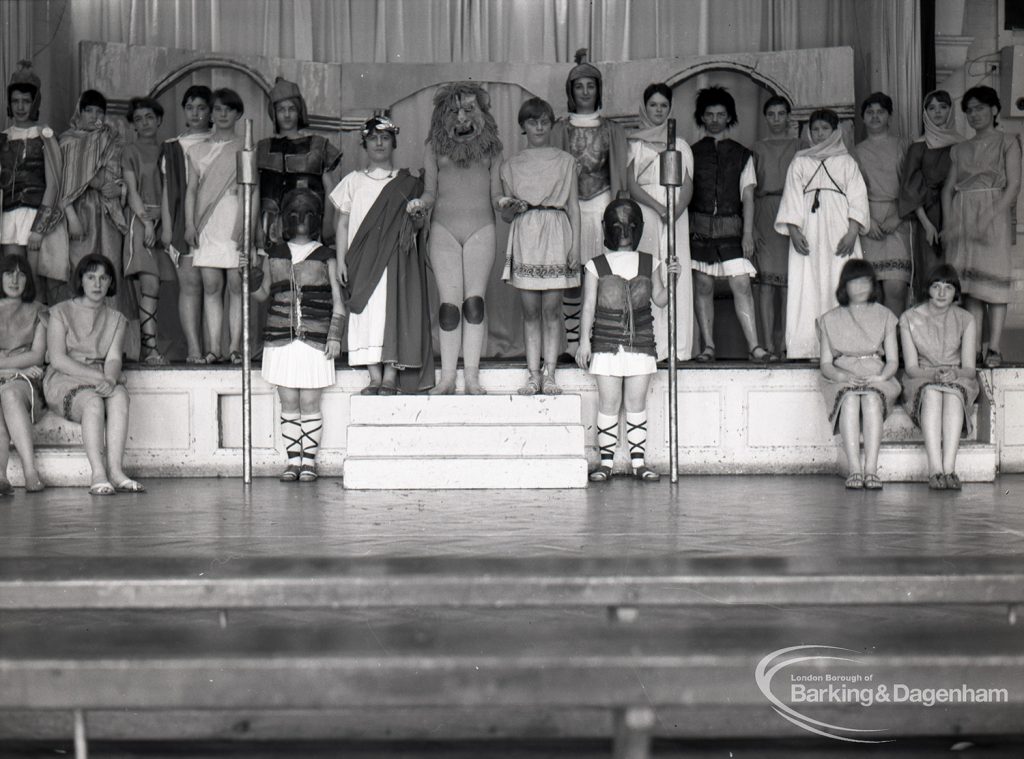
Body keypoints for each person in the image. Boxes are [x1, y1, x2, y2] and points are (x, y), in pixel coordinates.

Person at [406, 82, 502, 395]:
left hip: (481, 230)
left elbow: (496, 194)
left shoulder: (493, 149)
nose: (461, 116)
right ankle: (447, 378)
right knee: (449, 307)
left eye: (469, 109)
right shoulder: (434, 147)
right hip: (443, 231)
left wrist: (506, 204)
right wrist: (421, 206)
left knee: (474, 303)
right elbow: (431, 192)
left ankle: (471, 377)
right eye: (454, 110)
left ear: (482, 113)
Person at [576, 197, 679, 483]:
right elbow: (588, 306)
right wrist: (584, 341)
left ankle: (638, 463)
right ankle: (606, 464)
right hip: (606, 343)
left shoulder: (651, 262)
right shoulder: (595, 265)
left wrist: (673, 279)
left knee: (635, 404)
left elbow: (660, 300)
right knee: (608, 404)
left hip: (641, 343)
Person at [334, 116, 434, 394]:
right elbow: (342, 223)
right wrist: (341, 259)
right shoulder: (352, 181)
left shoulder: (409, 183)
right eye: (373, 137)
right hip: (360, 259)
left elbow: (419, 225)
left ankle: (390, 376)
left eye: (385, 137)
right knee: (366, 314)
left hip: (394, 260)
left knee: (390, 312)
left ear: (394, 143)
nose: (379, 143)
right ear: (364, 143)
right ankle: (374, 377)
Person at [255, 189, 344, 481]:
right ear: (284, 219)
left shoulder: (326, 255)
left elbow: (338, 301)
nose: (301, 218)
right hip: (281, 338)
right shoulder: (273, 255)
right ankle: (293, 461)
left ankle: (309, 462)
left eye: (307, 212)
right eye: (294, 212)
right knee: (289, 402)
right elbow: (260, 295)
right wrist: (249, 275)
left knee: (309, 403)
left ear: (317, 219)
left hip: (316, 339)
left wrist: (334, 335)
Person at [499, 98, 580, 395]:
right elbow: (507, 215)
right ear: (523, 126)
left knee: (551, 307)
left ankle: (550, 374)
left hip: (557, 232)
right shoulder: (510, 166)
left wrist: (576, 247)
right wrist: (512, 206)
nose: (539, 127)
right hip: (526, 233)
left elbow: (573, 206)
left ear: (551, 124)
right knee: (530, 309)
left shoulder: (566, 161)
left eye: (545, 121)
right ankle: (533, 374)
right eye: (533, 122)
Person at [44, 254, 144, 495]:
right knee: (93, 403)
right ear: (81, 280)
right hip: (65, 378)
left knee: (119, 395)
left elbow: (113, 359)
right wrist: (100, 379)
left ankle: (117, 471)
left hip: (101, 377)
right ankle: (98, 473)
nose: (97, 284)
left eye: (103, 278)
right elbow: (58, 359)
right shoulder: (60, 312)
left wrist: (109, 378)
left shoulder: (117, 319)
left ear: (110, 282)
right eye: (91, 277)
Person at [775, 109, 870, 359]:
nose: (819, 134)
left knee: (839, 279)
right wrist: (794, 231)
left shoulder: (847, 162)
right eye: (815, 129)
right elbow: (791, 199)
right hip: (809, 231)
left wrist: (852, 232)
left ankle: (844, 346)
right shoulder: (800, 161)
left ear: (835, 131)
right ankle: (808, 347)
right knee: (807, 283)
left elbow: (858, 198)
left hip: (840, 230)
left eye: (824, 129)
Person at [551, 49, 628, 355]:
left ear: (598, 90)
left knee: (603, 273)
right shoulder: (560, 129)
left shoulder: (612, 129)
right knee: (572, 275)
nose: (585, 91)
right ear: (571, 92)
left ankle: (599, 337)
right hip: (570, 208)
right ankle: (572, 343)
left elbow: (620, 173)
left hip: (603, 205)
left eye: (590, 86)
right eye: (579, 86)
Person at [941, 86, 1022, 369]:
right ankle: (974, 347)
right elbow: (949, 188)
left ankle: (995, 348)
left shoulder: (1008, 141)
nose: (974, 114)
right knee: (972, 286)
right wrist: (950, 220)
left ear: (995, 110)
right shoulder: (959, 148)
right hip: (964, 214)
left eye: (980, 108)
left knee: (994, 283)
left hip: (993, 212)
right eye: (970, 110)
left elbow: (1013, 185)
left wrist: (991, 216)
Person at [688, 85, 771, 363]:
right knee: (702, 286)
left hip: (731, 229)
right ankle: (708, 346)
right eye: (709, 114)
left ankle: (755, 346)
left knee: (742, 285)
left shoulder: (742, 154)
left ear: (729, 117)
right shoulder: (690, 152)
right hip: (699, 229)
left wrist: (747, 233)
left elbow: (748, 196)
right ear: (702, 117)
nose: (714, 119)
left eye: (720, 114)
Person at [818, 259, 900, 490]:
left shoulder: (885, 315)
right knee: (851, 400)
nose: (862, 287)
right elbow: (826, 364)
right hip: (841, 375)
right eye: (855, 282)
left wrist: (881, 378)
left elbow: (892, 360)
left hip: (876, 374)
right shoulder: (829, 319)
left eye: (866, 281)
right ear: (844, 286)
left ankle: (871, 469)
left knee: (872, 400)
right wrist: (843, 378)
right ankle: (855, 469)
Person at [626, 82, 694, 361]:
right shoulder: (635, 143)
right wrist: (657, 207)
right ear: (645, 106)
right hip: (647, 212)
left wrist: (674, 212)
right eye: (653, 105)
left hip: (676, 213)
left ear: (670, 108)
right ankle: (651, 345)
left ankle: (677, 348)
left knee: (675, 270)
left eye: (663, 105)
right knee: (650, 272)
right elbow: (631, 184)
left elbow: (688, 184)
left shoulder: (678, 143)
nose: (658, 110)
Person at [899, 264, 978, 490]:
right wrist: (933, 374)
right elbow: (912, 368)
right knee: (932, 392)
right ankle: (935, 469)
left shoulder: (966, 318)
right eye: (936, 286)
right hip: (921, 376)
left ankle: (950, 468)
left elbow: (970, 369)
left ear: (956, 293)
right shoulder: (909, 318)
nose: (942, 293)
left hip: (957, 376)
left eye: (948, 287)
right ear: (928, 289)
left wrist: (954, 373)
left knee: (952, 394)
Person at [185, 88, 250, 365]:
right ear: (211, 113)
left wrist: (247, 228)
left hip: (235, 217)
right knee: (211, 285)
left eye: (229, 109)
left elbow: (252, 191)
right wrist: (189, 225)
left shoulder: (245, 148)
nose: (223, 114)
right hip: (207, 222)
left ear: (237, 114)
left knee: (237, 284)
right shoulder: (197, 150)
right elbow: (191, 190)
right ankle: (214, 348)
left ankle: (235, 347)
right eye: (218, 109)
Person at [59, 90, 131, 320]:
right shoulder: (67, 141)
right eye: (88, 110)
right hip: (79, 212)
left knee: (110, 271)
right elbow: (63, 181)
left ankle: (112, 339)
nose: (94, 115)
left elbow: (125, 175)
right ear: (79, 112)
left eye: (99, 111)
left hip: (109, 212)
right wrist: (98, 181)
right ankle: (77, 335)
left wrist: (120, 188)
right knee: (81, 270)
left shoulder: (113, 138)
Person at [0, 61, 66, 288]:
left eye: (26, 101)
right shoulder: (2, 138)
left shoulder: (45, 135)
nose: (20, 107)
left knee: (34, 285)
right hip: (8, 218)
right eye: (16, 101)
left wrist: (39, 229)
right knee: (12, 284)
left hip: (36, 217)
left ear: (35, 102)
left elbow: (54, 185)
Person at [160, 85, 213, 364]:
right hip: (184, 222)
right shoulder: (173, 146)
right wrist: (168, 229)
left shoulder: (221, 142)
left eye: (201, 107)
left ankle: (216, 348)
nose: (195, 113)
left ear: (211, 111)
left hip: (216, 221)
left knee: (216, 288)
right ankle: (194, 348)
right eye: (190, 107)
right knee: (190, 287)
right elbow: (168, 191)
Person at [257, 77, 342, 248]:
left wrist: (327, 224)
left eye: (291, 109)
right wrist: (257, 229)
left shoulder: (319, 145)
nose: (287, 115)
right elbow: (255, 192)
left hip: (309, 226)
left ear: (300, 111)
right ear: (273, 113)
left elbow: (331, 189)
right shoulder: (262, 148)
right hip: (271, 229)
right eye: (281, 109)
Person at [122, 97, 175, 365]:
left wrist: (162, 219)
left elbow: (174, 190)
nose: (144, 123)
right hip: (141, 223)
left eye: (149, 118)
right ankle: (149, 348)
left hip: (165, 220)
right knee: (149, 284)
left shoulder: (169, 150)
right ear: (133, 124)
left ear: (159, 120)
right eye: (139, 119)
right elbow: (131, 191)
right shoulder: (129, 150)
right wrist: (146, 222)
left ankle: (153, 346)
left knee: (162, 288)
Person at [898, 90, 962, 304]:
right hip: (929, 217)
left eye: (943, 107)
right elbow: (910, 187)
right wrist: (927, 225)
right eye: (932, 108)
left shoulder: (962, 144)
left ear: (951, 111)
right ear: (925, 113)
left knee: (959, 271)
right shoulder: (918, 146)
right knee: (932, 272)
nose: (937, 112)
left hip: (959, 213)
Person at [751, 95, 799, 360]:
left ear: (789, 116)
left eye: (782, 114)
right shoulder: (756, 147)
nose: (777, 119)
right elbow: (749, 188)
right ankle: (768, 345)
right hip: (765, 211)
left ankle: (787, 344)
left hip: (792, 212)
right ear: (766, 117)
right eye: (772, 114)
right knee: (767, 284)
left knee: (790, 285)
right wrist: (753, 228)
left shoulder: (800, 145)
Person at [854, 92, 911, 315]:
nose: (875, 116)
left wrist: (898, 215)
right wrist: (868, 220)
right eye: (870, 112)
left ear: (890, 116)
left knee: (896, 287)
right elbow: (852, 192)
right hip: (869, 223)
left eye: (880, 112)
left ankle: (894, 346)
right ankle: (877, 347)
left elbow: (912, 186)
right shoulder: (855, 151)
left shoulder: (904, 146)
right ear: (863, 117)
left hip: (899, 219)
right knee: (871, 290)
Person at [0, 254, 47, 494]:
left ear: (28, 279)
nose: (14, 279)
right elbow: (22, 362)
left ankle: (30, 471)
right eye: (8, 273)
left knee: (8, 393)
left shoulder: (39, 311)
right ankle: (0, 475)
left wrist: (12, 370)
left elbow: (36, 356)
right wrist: (11, 368)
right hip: (14, 373)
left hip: (26, 382)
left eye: (21, 273)